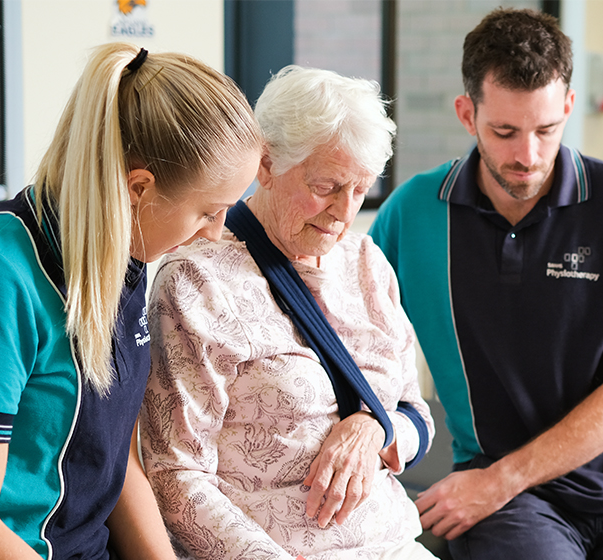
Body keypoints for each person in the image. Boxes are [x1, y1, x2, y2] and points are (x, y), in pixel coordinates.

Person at [369, 8, 603, 560]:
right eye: (504, 132)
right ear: (467, 114)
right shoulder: (414, 214)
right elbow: (349, 334)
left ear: (568, 106)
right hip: (507, 499)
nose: (527, 156)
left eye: (546, 130)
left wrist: (502, 480)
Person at [0, 43, 263, 560]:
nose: (215, 232)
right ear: (138, 188)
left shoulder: (122, 260)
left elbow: (114, 461)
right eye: (209, 212)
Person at [139, 65, 436, 560]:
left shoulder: (367, 264)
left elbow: (416, 415)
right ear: (267, 165)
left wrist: (372, 429)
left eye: (360, 190)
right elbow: (176, 475)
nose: (344, 212)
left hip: (394, 544)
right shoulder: (197, 281)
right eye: (326, 186)